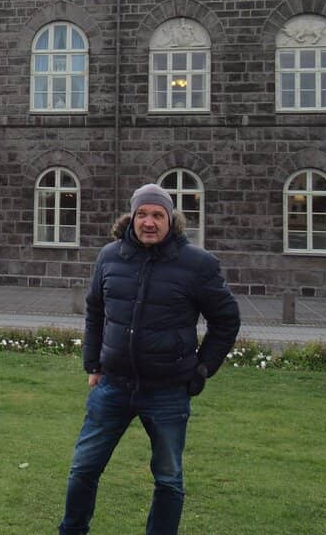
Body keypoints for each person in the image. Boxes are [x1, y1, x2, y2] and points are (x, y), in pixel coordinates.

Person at [59, 184, 241, 535]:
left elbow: (226, 319)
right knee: (83, 468)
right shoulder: (110, 256)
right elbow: (95, 311)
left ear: (171, 220)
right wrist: (92, 365)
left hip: (168, 391)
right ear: (132, 216)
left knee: (169, 479)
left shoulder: (198, 264)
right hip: (113, 386)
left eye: (157, 215)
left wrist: (203, 368)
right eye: (143, 214)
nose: (149, 222)